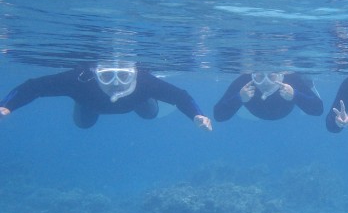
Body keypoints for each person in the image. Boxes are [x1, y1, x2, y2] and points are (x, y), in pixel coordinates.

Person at [0, 62, 212, 130]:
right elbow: (33, 87)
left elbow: (180, 96)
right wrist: (8, 105)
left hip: (137, 101)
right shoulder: (79, 80)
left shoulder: (145, 81)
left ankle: (147, 99)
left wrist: (196, 115)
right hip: (90, 103)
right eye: (107, 75)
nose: (116, 83)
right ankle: (80, 103)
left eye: (124, 75)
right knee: (84, 124)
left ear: (135, 73)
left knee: (148, 114)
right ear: (95, 73)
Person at [213, 72, 324, 121]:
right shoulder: (245, 81)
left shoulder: (291, 79)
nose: (266, 83)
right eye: (259, 77)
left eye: (271, 77)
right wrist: (239, 98)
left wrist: (296, 95)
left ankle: (308, 82)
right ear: (252, 75)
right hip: (251, 113)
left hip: (281, 109)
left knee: (303, 79)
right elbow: (218, 115)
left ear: (281, 75)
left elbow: (318, 109)